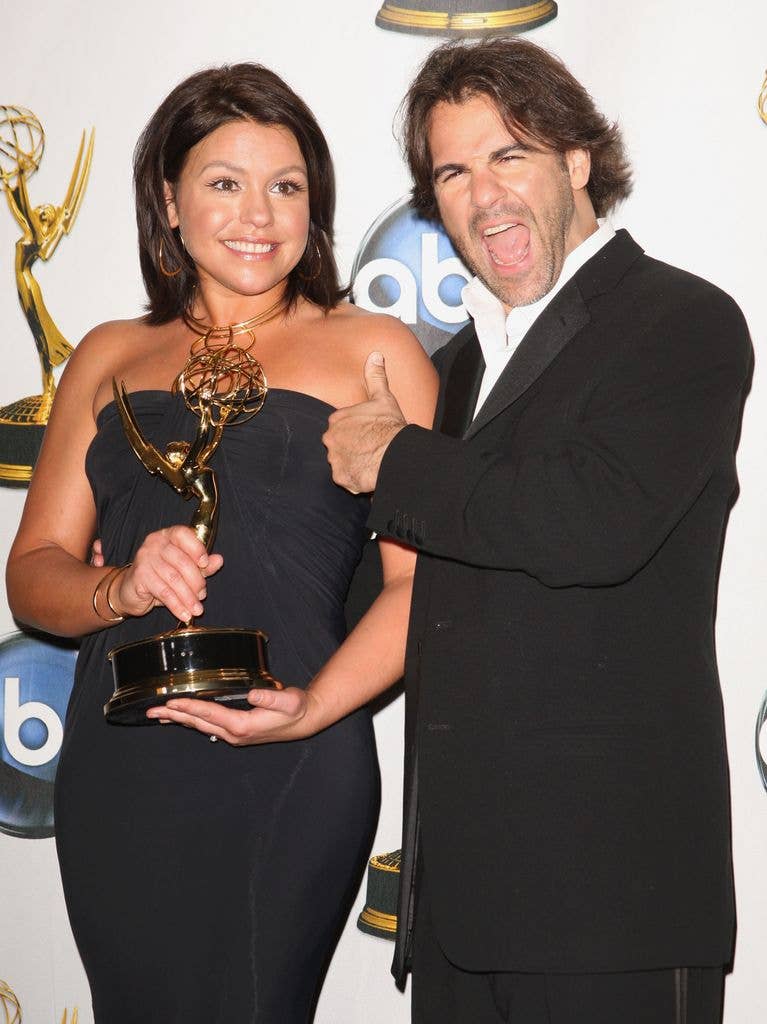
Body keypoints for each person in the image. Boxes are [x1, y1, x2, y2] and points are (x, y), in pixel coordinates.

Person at [193, 38, 753, 1024]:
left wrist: (395, 458)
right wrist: (195, 570)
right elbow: (399, 589)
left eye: (508, 155)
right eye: (451, 172)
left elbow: (589, 524)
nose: (482, 194)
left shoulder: (678, 321)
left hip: (612, 909)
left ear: (575, 160)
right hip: (456, 912)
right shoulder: (446, 370)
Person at [5, 64, 437, 1023]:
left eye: (285, 185)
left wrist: (313, 707)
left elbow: (419, 589)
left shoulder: (376, 352)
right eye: (224, 182)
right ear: (169, 200)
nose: (258, 215)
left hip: (294, 753)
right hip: (123, 759)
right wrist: (120, 586)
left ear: (315, 206)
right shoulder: (109, 354)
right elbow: (32, 576)